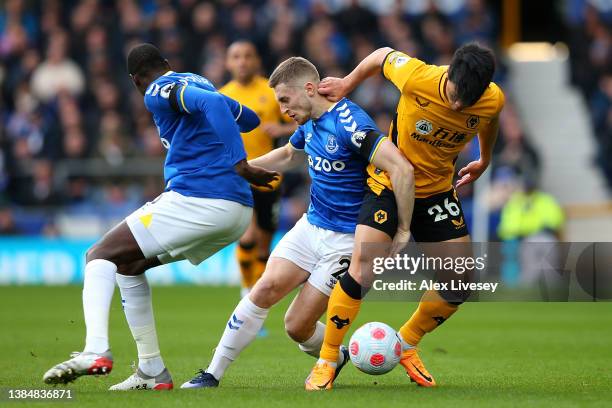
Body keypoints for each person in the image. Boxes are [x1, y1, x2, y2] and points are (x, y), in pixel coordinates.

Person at [42, 43, 278, 390]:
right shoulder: (197, 81)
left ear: (136, 81)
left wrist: (240, 163)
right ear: (168, 63)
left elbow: (213, 105)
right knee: (128, 265)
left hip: (200, 199)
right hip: (237, 210)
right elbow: (250, 119)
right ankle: (152, 371)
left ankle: (95, 350)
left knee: (98, 255)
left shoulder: (156, 91)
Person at [180, 56, 415, 388]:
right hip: (311, 225)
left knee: (296, 327)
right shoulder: (309, 121)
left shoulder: (350, 125)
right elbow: (289, 155)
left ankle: (334, 354)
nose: (283, 108)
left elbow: (401, 169)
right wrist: (235, 170)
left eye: (284, 100)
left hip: (347, 240)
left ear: (308, 89)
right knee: (264, 288)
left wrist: (403, 228)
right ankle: (211, 374)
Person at [306, 42, 505, 390]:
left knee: (460, 283)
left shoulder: (492, 98)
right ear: (450, 73)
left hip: (437, 193)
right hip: (390, 185)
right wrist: (347, 83)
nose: (458, 105)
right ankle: (326, 358)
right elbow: (382, 54)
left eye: (467, 100)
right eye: (456, 94)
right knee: (363, 269)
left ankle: (407, 344)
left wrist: (485, 157)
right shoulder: (418, 76)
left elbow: (489, 120)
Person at [220, 40, 296, 303]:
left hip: (269, 175)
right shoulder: (222, 96)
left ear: (256, 61)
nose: (242, 61)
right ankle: (246, 293)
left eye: (248, 56)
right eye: (236, 56)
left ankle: (256, 296)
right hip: (238, 175)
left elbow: (299, 122)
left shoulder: (272, 91)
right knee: (248, 235)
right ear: (228, 62)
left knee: (264, 242)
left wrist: (282, 130)